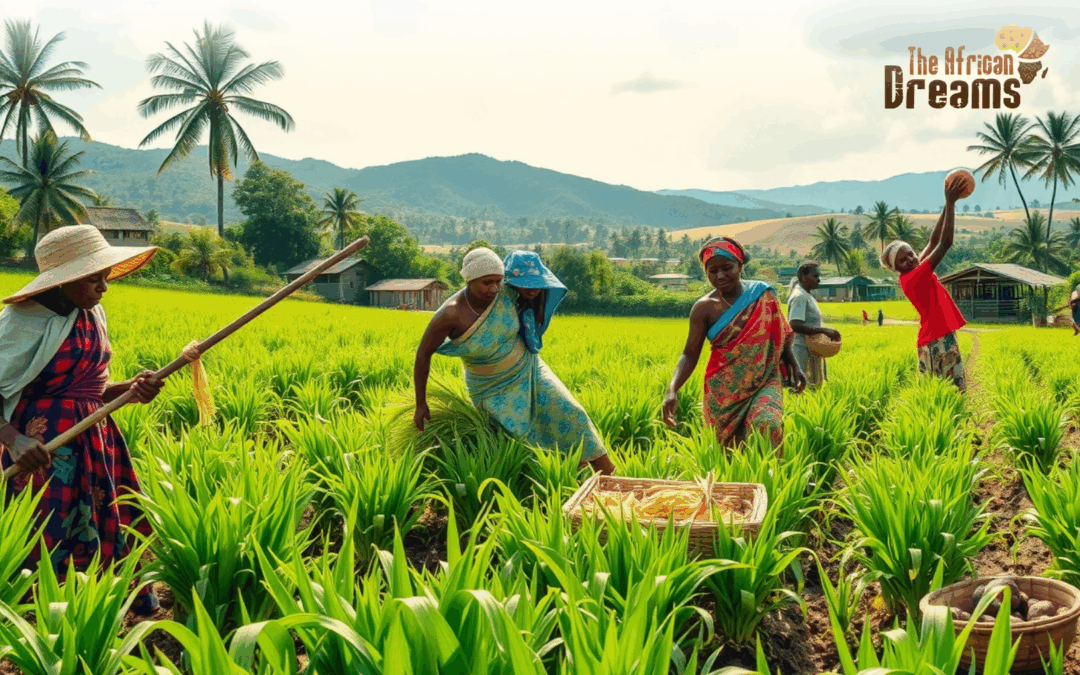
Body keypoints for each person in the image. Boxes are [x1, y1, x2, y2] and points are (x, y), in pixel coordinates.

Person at [0, 225, 164, 615]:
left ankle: (100, 613)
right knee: (44, 532)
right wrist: (13, 439)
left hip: (94, 440)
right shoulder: (21, 320)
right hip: (40, 449)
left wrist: (132, 388)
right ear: (65, 281)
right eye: (94, 277)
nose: (104, 286)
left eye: (105, 276)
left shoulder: (93, 313)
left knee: (104, 519)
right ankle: (38, 621)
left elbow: (90, 391)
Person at [413, 247, 616, 474]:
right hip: (489, 387)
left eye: (499, 281)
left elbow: (532, 279)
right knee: (521, 439)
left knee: (572, 413)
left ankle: (614, 481)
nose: (494, 289)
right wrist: (421, 404)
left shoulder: (506, 293)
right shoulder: (450, 314)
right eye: (487, 283)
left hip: (529, 369)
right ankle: (566, 479)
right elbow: (423, 355)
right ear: (470, 279)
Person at [662, 236, 806, 448]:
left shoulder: (763, 294)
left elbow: (781, 335)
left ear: (740, 266)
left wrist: (795, 365)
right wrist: (672, 389)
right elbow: (690, 353)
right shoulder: (704, 308)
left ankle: (773, 478)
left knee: (768, 423)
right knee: (728, 452)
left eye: (727, 268)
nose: (720, 275)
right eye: (713, 271)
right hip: (724, 391)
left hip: (765, 379)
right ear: (706, 273)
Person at [880, 176, 968, 391]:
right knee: (953, 391)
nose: (910, 259)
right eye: (903, 259)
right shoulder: (914, 277)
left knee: (940, 392)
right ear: (896, 268)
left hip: (935, 337)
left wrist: (948, 204)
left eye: (910, 253)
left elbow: (933, 240)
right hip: (936, 340)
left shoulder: (914, 268)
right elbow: (945, 243)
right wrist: (950, 203)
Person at [787, 262, 841, 390]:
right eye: (815, 276)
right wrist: (823, 330)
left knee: (812, 387)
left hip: (810, 348)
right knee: (803, 389)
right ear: (803, 277)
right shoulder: (799, 296)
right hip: (801, 349)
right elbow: (795, 324)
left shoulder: (807, 295)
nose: (819, 279)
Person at [502, 250, 564, 354]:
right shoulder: (499, 309)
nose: (533, 290)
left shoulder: (531, 312)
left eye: (537, 285)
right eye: (527, 284)